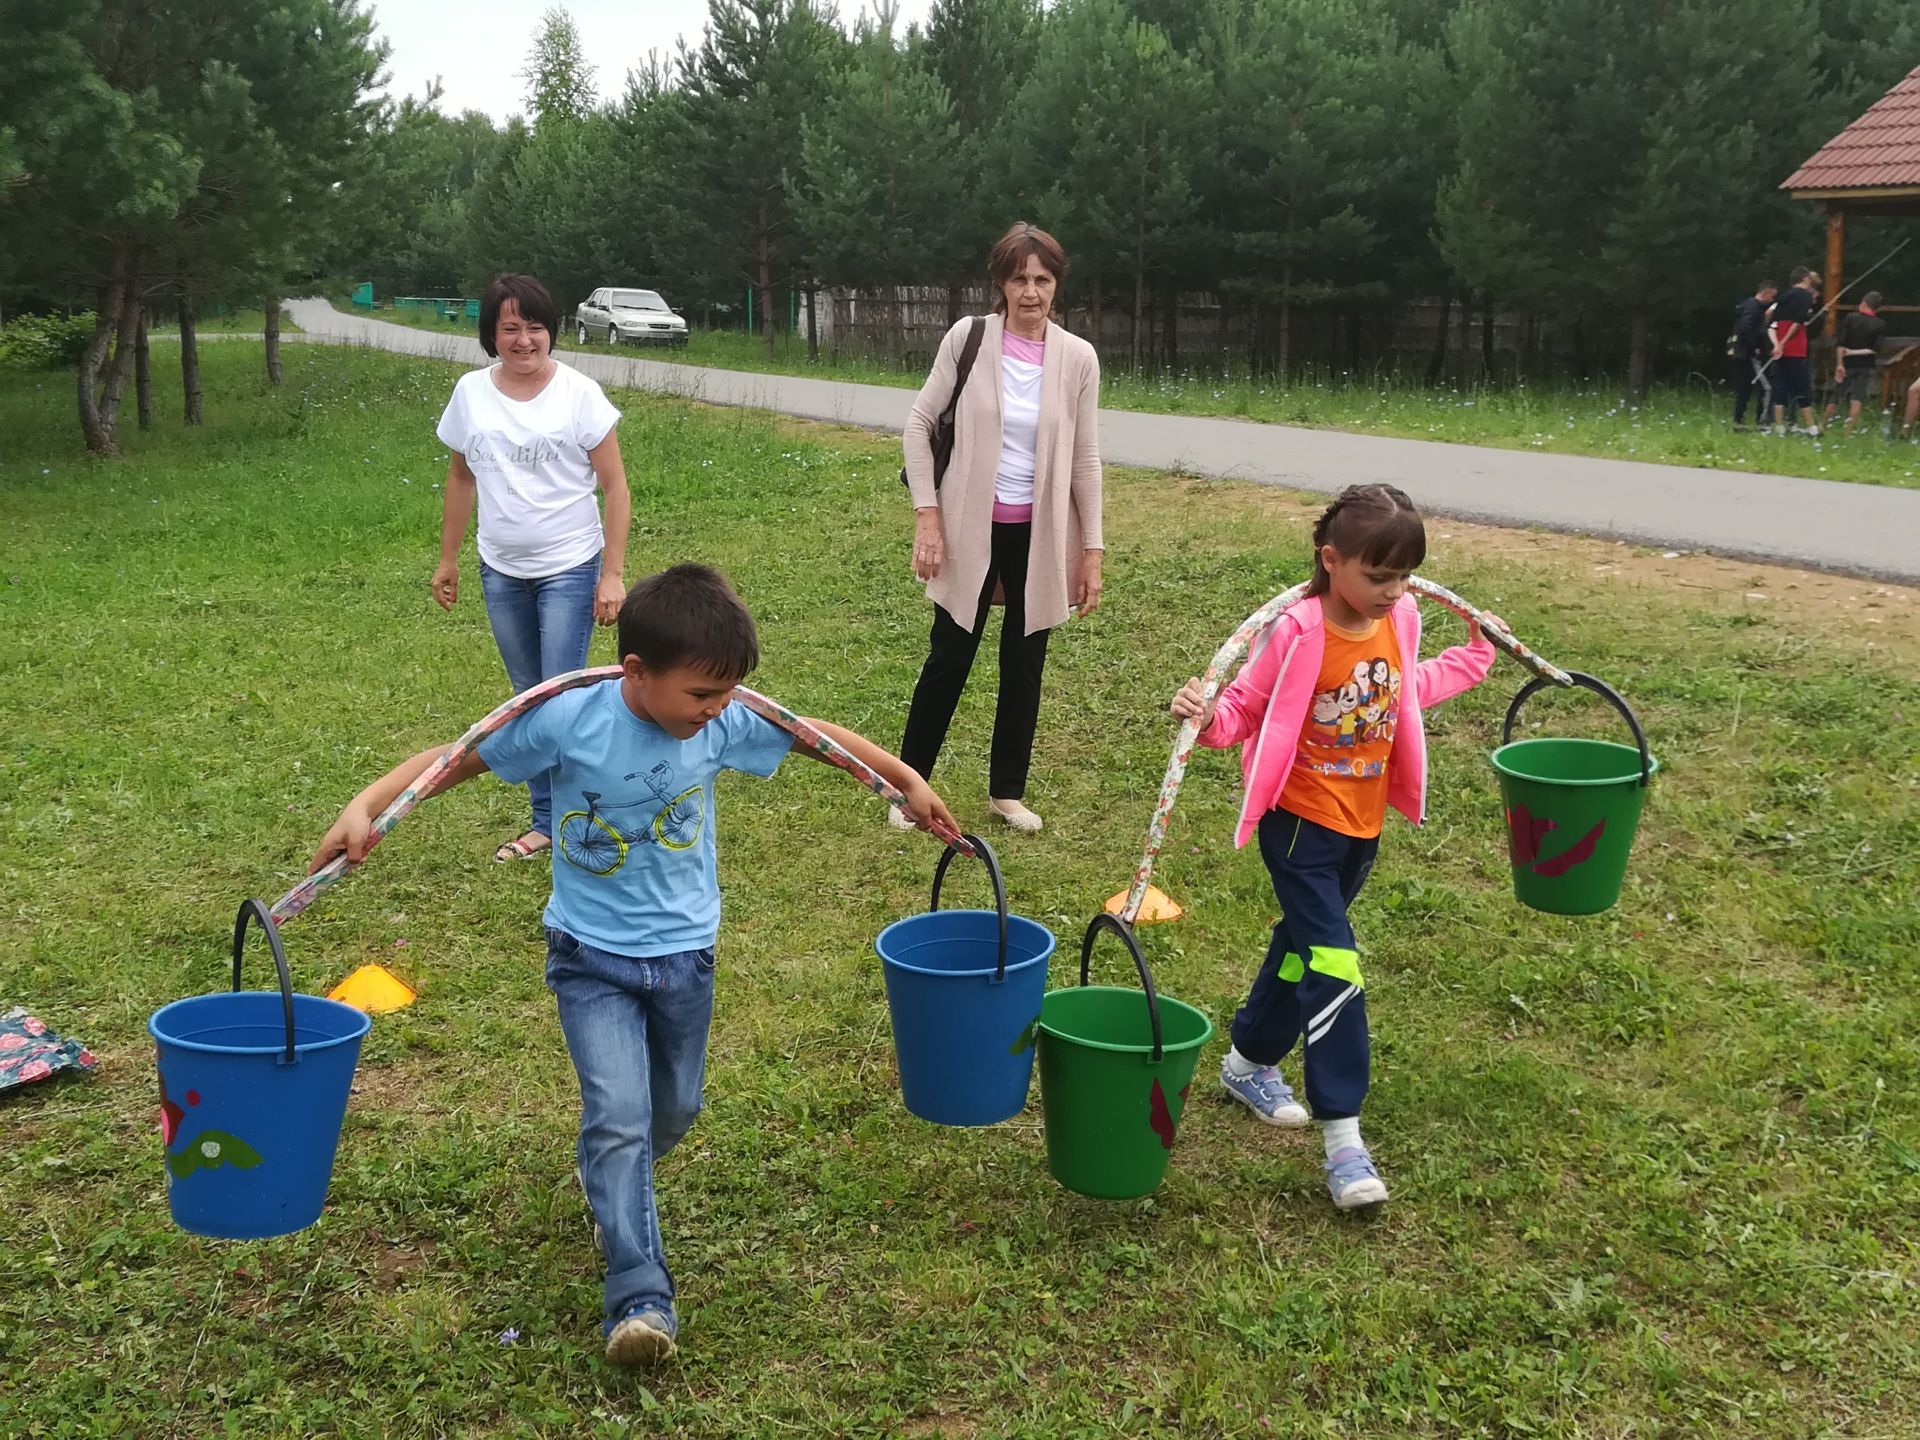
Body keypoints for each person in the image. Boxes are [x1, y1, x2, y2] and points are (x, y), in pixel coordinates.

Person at [308, 564, 957, 1366]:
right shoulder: (570, 720)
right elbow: (456, 758)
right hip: (590, 958)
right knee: (620, 1116)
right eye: (700, 695)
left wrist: (906, 781)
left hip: (686, 956)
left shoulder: (720, 721)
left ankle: (608, 1180)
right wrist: (366, 804)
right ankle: (640, 1296)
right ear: (636, 673)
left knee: (672, 1113)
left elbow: (810, 734)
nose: (716, 710)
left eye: (724, 696)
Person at [1168, 485, 1503, 1211]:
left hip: (1362, 824)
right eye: (1378, 576)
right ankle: (1343, 1137)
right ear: (1332, 560)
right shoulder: (1296, 629)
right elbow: (1247, 708)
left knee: (1299, 946)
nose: (1394, 591)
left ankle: (1250, 1059)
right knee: (1334, 962)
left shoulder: (1402, 618)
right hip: (1299, 827)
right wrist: (1206, 714)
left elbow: (1401, 690)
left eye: (1404, 576)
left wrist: (1475, 658)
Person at [897, 222, 1104, 835]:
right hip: (969, 531)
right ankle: (909, 784)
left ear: (1057, 286)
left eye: (1042, 280)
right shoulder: (969, 339)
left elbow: (1085, 458)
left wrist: (1091, 549)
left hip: (1038, 538)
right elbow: (917, 424)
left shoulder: (1077, 358)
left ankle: (1007, 792)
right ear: (1001, 284)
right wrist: (928, 518)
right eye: (1020, 278)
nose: (1031, 292)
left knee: (1025, 663)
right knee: (949, 658)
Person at [432, 273, 632, 864]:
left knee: (559, 697)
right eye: (510, 328)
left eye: (535, 327)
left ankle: (567, 819)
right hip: (501, 569)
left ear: (553, 331)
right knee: (526, 699)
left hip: (570, 564)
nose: (524, 340)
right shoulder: (470, 394)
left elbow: (615, 486)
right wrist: (448, 559)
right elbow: (461, 477)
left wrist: (612, 573)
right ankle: (549, 817)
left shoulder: (579, 394)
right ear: (492, 335)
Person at [1767, 266, 1824, 436]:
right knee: (1802, 386)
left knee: (1780, 386)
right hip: (1795, 348)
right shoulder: (1805, 296)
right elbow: (1798, 321)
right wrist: (1784, 342)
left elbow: (1772, 324)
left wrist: (1776, 344)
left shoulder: (1783, 297)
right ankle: (1810, 426)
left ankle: (1779, 426)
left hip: (1779, 350)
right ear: (1805, 279)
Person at [1825, 291, 1888, 436]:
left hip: (1847, 363)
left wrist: (1840, 364)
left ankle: (1823, 426)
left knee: (1836, 395)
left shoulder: (1850, 318)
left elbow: (1841, 343)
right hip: (1865, 365)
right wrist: (1856, 352)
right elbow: (1875, 349)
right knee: (1857, 398)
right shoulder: (1880, 324)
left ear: (1864, 303)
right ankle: (1848, 431)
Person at [1728, 278, 1778, 429]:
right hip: (1748, 353)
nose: (1772, 300)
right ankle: (1762, 420)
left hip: (1742, 352)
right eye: (1772, 296)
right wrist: (1755, 346)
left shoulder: (1751, 306)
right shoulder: (1753, 308)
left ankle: (1739, 418)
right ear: (1765, 293)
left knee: (1746, 387)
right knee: (1766, 386)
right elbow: (1746, 328)